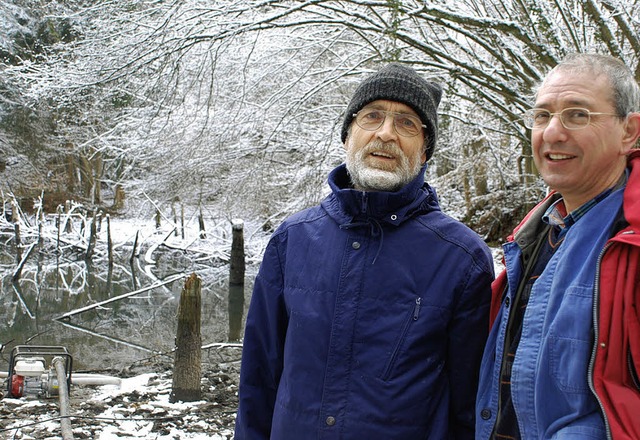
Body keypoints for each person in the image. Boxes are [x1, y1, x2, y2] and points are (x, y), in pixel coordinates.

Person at [234, 63, 494, 439]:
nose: (386, 134)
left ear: (424, 152)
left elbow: (469, 407)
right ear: (347, 136)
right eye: (372, 117)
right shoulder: (292, 240)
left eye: (407, 123)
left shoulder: (461, 258)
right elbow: (258, 380)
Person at [475, 53, 640, 439]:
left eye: (577, 115)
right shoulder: (532, 237)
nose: (552, 133)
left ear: (629, 131)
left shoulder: (630, 245)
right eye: (542, 115)